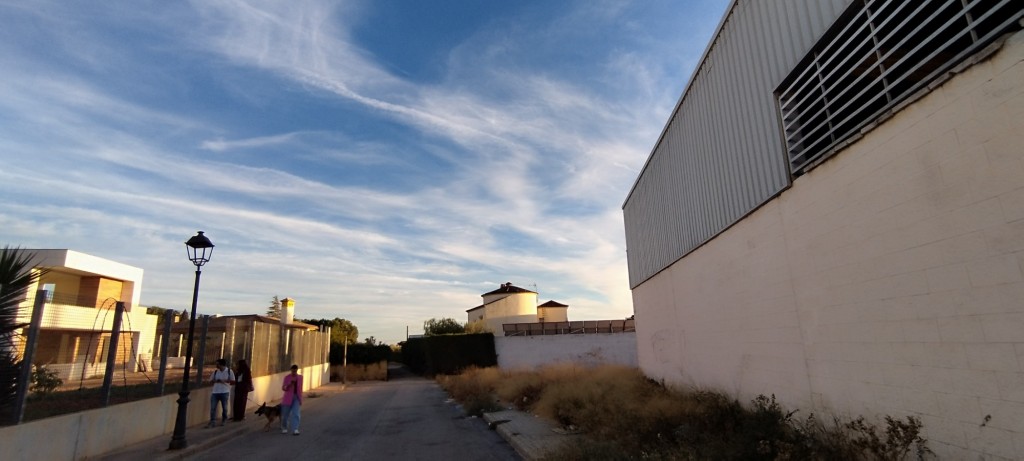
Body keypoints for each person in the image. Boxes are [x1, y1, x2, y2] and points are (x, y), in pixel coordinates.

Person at [207, 358, 235, 427]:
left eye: (218, 364)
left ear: (222, 365)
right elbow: (210, 381)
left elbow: (233, 381)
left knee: (224, 407)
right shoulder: (216, 372)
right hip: (215, 392)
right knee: (213, 408)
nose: (216, 365)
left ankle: (224, 419)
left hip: (224, 391)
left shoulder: (229, 371)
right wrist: (215, 381)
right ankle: (212, 421)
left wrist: (224, 381)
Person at [280, 364, 303, 435]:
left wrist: (300, 399)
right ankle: (284, 427)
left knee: (296, 413)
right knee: (285, 415)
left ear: (297, 370)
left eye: (295, 371)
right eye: (293, 371)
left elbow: (300, 388)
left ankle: (295, 429)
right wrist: (289, 385)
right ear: (291, 370)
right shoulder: (287, 377)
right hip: (288, 398)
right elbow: (283, 388)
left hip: (296, 397)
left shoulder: (300, 377)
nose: (294, 372)